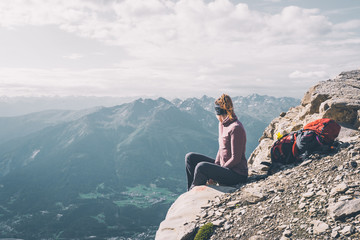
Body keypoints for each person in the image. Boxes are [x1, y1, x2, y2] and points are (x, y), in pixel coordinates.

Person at [185, 94, 248, 191]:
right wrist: (216, 166)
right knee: (190, 157)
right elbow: (221, 148)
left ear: (219, 113)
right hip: (225, 167)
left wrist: (217, 172)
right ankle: (190, 190)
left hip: (237, 174)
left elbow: (236, 158)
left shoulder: (236, 128)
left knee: (201, 167)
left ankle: (194, 193)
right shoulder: (222, 125)